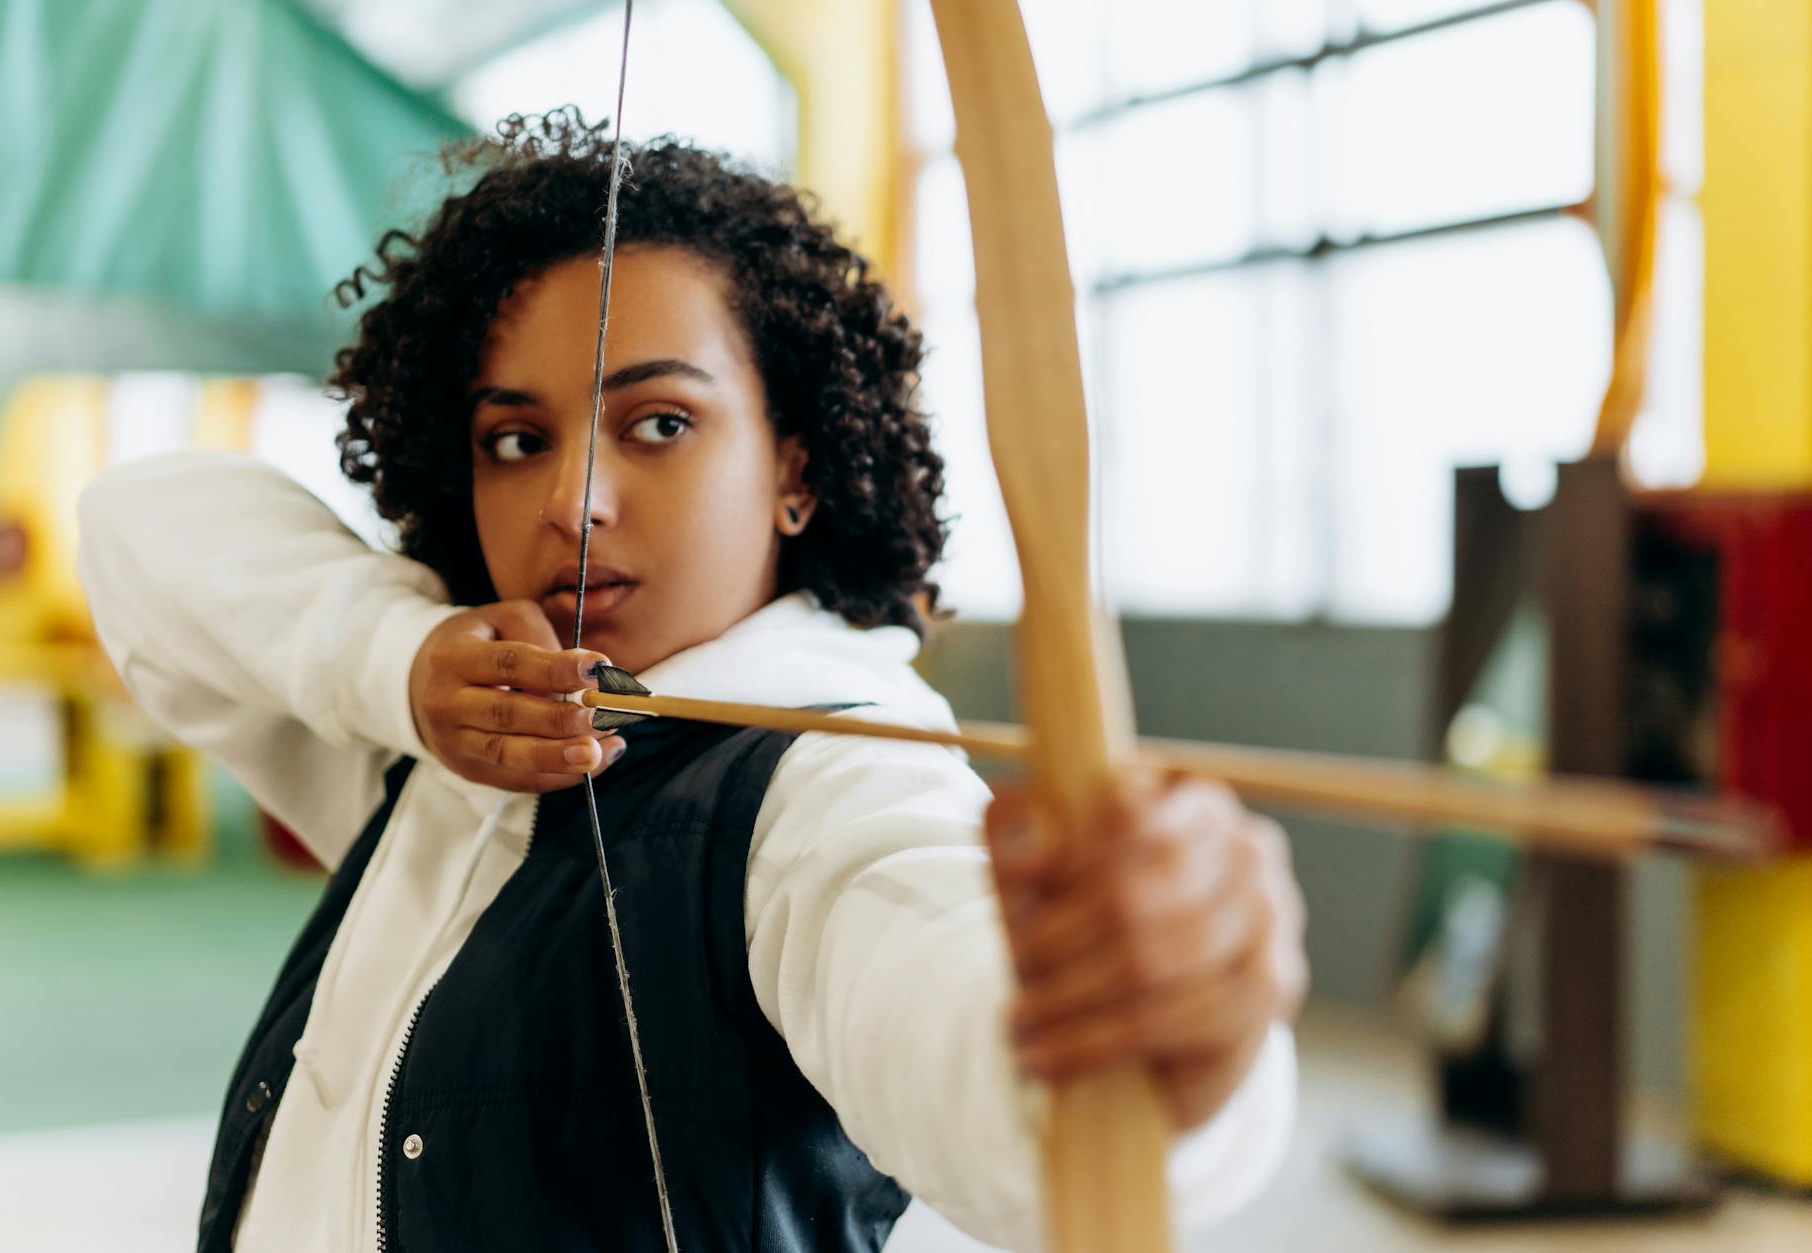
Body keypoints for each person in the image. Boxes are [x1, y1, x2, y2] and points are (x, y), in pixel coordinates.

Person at [78, 109, 1306, 1253]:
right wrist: (398, 662)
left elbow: (980, 1062)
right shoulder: (430, 737)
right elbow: (136, 523)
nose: (572, 501)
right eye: (516, 439)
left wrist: (1165, 1040)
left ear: (795, 471)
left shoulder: (825, 784)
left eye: (659, 422)